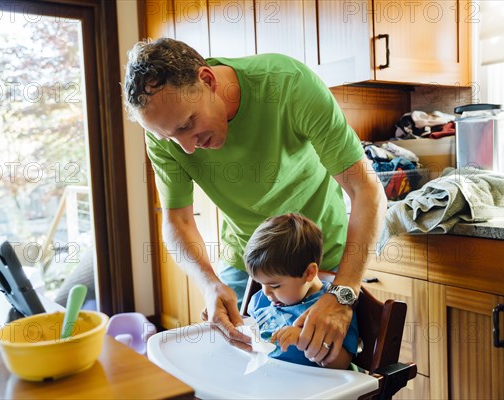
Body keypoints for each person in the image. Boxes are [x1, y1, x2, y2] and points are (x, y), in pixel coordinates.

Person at [123, 37, 386, 366]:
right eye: (171, 138)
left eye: (188, 124)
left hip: (317, 257)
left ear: (207, 80)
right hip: (245, 261)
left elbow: (367, 191)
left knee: (323, 371)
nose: (187, 148)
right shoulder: (164, 127)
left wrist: (343, 293)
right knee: (229, 368)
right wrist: (209, 284)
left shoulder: (287, 85)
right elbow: (177, 220)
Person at [245, 213, 359, 369]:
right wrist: (232, 322)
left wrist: (304, 341)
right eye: (260, 283)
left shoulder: (332, 309)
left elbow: (342, 364)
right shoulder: (262, 299)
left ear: (309, 273)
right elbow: (250, 333)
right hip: (267, 378)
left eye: (276, 285)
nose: (266, 292)